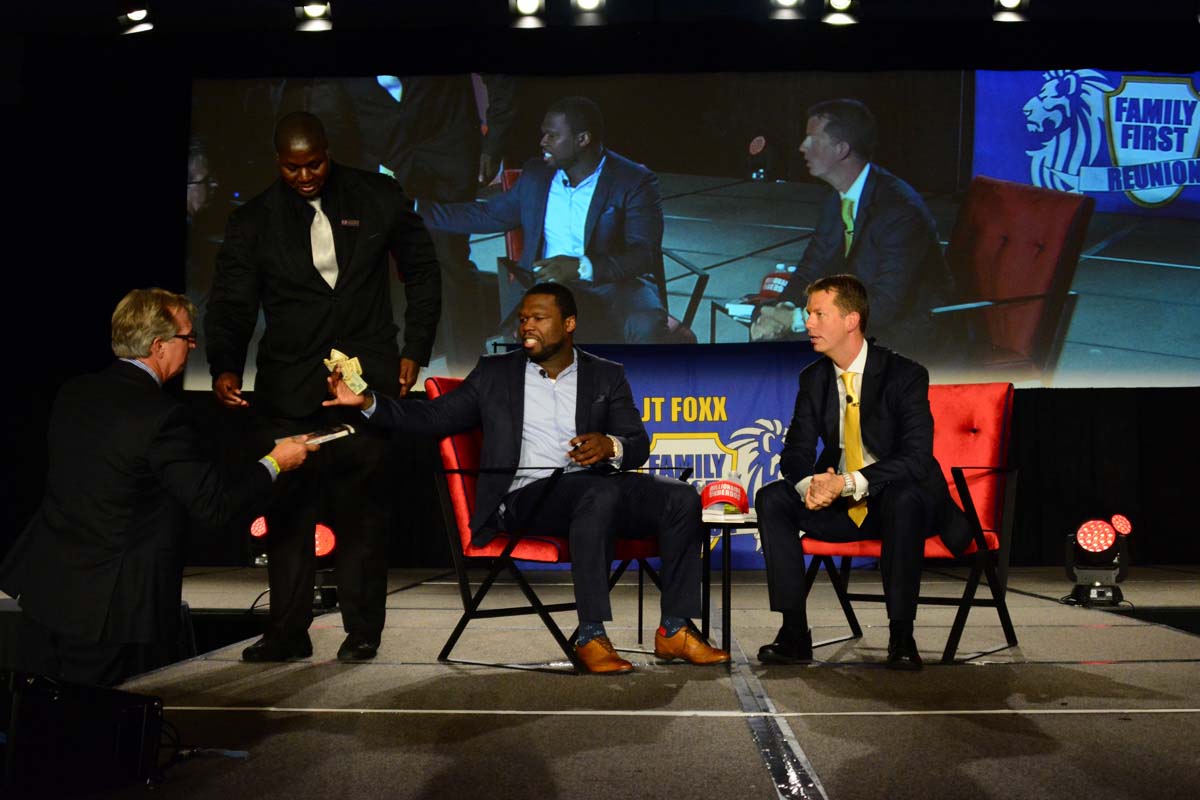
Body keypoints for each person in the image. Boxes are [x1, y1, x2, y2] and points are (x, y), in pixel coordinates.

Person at [324, 282, 729, 674]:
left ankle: (675, 628)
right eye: (522, 319)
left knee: (680, 497)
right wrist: (368, 402)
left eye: (539, 318)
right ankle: (590, 634)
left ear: (569, 324)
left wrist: (610, 445)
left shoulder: (605, 375)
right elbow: (433, 416)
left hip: (596, 487)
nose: (526, 327)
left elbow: (637, 443)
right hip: (526, 498)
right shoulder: (495, 372)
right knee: (597, 493)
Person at [205, 111, 440, 663]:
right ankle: (288, 631)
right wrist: (225, 365)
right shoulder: (253, 219)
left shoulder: (377, 195)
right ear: (278, 162)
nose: (305, 175)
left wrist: (414, 349)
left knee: (364, 510)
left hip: (365, 381)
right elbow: (232, 302)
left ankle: (362, 632)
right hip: (288, 386)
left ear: (328, 153)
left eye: (314, 164)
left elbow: (423, 270)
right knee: (287, 511)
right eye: (293, 167)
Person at [0, 289, 316, 687]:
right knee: (98, 713)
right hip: (110, 604)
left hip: (49, 586)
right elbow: (213, 504)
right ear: (158, 346)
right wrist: (276, 462)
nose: (193, 345)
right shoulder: (161, 415)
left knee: (39, 710)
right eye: (187, 337)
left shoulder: (74, 392)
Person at [754, 275, 971, 671]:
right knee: (772, 498)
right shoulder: (813, 378)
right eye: (808, 314)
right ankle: (794, 632)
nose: (808, 322)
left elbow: (916, 458)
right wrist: (812, 486)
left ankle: (901, 635)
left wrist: (848, 482)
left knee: (904, 498)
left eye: (819, 314)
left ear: (851, 320)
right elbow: (796, 452)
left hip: (898, 503)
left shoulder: (904, 375)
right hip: (841, 505)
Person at [422, 95, 673, 345]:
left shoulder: (633, 180)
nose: (543, 142)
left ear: (582, 139)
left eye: (552, 136)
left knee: (646, 325)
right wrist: (414, 211)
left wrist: (582, 267)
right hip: (552, 286)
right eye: (544, 134)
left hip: (617, 285)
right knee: (556, 325)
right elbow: (487, 214)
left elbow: (643, 254)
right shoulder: (537, 175)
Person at [342, 74, 517, 373]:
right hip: (381, 167)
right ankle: (393, 369)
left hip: (449, 164)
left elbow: (502, 80)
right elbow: (336, 115)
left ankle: (466, 371)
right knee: (377, 270)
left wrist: (492, 145)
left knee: (451, 265)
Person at [754, 99, 954, 360]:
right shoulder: (836, 199)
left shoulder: (899, 209)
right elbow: (810, 267)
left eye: (812, 139)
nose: (802, 147)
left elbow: (885, 304)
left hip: (906, 328)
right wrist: (783, 307)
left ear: (841, 149)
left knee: (792, 341)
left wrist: (795, 319)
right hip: (859, 312)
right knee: (764, 322)